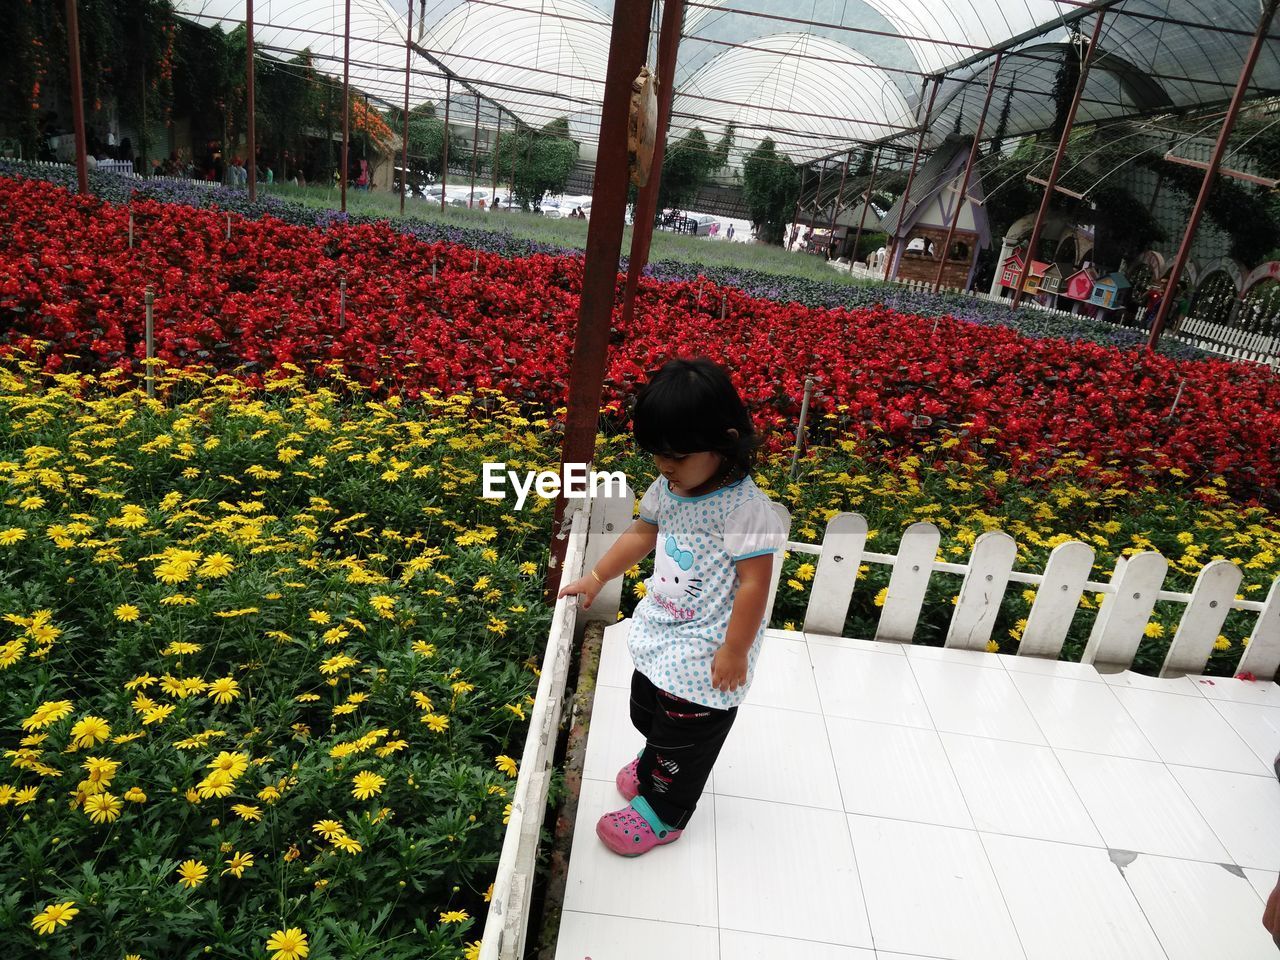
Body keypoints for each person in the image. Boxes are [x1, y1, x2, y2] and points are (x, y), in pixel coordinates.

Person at [557, 357, 787, 857]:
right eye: (658, 456)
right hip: (667, 625)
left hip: (709, 646)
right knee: (649, 706)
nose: (665, 467)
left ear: (724, 440)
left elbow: (754, 585)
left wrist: (735, 649)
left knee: (686, 730)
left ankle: (665, 813)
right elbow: (643, 531)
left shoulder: (746, 509)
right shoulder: (669, 487)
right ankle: (657, 757)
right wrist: (597, 576)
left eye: (678, 456)